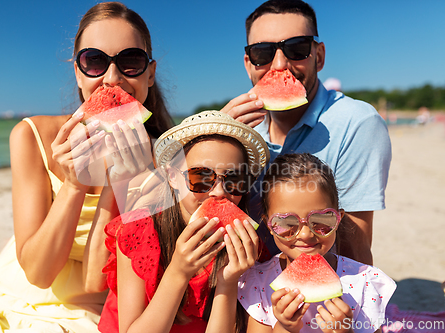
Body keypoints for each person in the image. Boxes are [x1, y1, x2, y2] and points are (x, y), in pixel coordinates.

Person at [0, 2, 173, 332]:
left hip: (86, 315)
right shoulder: (30, 135)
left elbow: (99, 280)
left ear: (149, 73)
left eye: (130, 61)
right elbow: (38, 273)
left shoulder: (164, 161)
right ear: (78, 72)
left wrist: (123, 181)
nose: (112, 78)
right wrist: (74, 183)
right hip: (4, 294)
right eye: (95, 61)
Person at [221, 0, 391, 266]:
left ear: (319, 56)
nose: (279, 65)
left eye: (296, 49)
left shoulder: (356, 122)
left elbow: (352, 248)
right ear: (248, 63)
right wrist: (216, 142)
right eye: (262, 53)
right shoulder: (234, 128)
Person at [96, 110, 270, 332]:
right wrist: (178, 272)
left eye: (234, 179)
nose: (219, 192)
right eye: (201, 177)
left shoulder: (247, 247)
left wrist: (228, 281)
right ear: (172, 176)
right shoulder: (137, 232)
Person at [238, 153, 396, 333]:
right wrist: (284, 327)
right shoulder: (259, 282)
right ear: (269, 224)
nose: (305, 234)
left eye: (320, 220)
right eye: (287, 223)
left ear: (338, 219)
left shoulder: (364, 283)